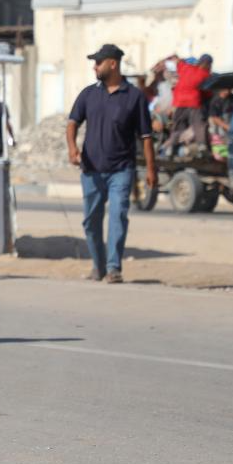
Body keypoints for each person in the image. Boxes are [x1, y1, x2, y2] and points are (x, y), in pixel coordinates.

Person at [66, 43, 155, 284]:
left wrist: (150, 169)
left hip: (121, 170)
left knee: (118, 215)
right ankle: (99, 266)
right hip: (91, 170)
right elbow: (73, 122)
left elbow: (146, 137)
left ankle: (114, 267)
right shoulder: (88, 94)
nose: (94, 67)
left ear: (112, 64)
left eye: (98, 62)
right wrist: (73, 148)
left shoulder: (134, 97)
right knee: (91, 221)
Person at [165, 53, 212, 155]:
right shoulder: (205, 74)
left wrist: (175, 57)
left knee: (178, 126)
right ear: (207, 64)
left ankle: (171, 148)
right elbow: (208, 92)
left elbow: (179, 63)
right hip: (193, 102)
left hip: (179, 102)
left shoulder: (186, 68)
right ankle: (202, 145)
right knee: (198, 124)